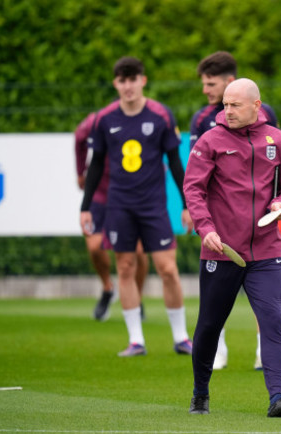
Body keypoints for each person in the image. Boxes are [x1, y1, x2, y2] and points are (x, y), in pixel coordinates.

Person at [184, 78, 281, 417]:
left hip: (267, 251)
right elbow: (193, 189)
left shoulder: (278, 141)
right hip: (221, 251)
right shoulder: (210, 140)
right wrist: (205, 229)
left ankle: (278, 399)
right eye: (225, 104)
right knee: (209, 325)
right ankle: (200, 394)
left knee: (273, 319)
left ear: (256, 105)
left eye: (235, 104)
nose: (227, 110)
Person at [79, 56, 194, 357]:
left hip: (154, 206)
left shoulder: (161, 115)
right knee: (125, 267)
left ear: (143, 80)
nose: (128, 86)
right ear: (116, 83)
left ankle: (182, 338)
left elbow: (176, 162)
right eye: (122, 80)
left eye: (133, 79)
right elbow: (95, 166)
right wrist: (86, 207)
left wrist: (186, 204)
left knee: (168, 269)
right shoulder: (105, 119)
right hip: (119, 206)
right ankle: (136, 341)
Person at [75, 112, 149, 321]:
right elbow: (79, 137)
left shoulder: (148, 118)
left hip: (133, 194)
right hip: (101, 193)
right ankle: (108, 288)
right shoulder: (98, 120)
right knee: (94, 246)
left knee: (140, 252)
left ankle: (137, 296)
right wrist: (80, 171)